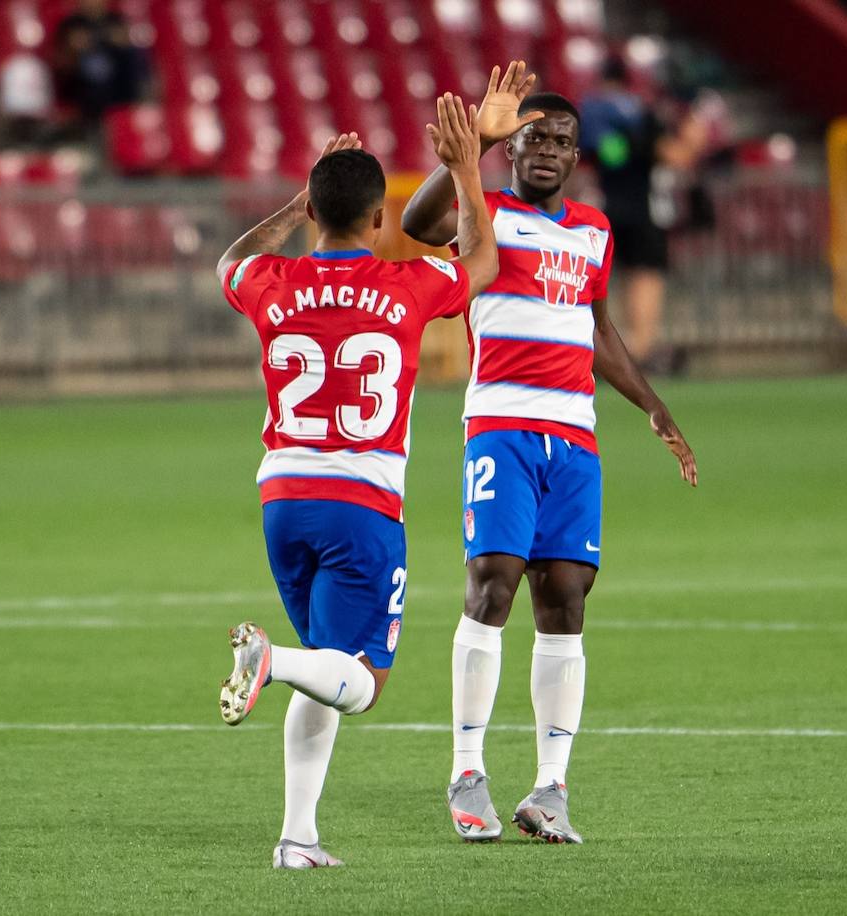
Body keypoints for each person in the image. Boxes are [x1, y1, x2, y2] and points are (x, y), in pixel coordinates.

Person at [401, 61, 698, 844]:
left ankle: (551, 790)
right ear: (511, 147)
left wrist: (653, 405)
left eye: (561, 140)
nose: (547, 149)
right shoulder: (484, 211)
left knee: (564, 599)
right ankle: (467, 774)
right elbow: (417, 227)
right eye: (533, 136)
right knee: (492, 584)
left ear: (576, 156)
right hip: (500, 423)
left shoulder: (595, 231)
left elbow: (598, 330)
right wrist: (465, 153)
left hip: (574, 437)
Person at [214, 95, 499, 869]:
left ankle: (298, 838)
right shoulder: (405, 286)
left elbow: (226, 264)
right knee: (363, 680)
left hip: (282, 501)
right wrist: (468, 173)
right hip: (361, 506)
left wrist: (288, 209)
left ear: (313, 212)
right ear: (380, 219)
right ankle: (267, 663)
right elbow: (483, 264)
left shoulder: (272, 279)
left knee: (326, 667)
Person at [579, 57, 672, 366]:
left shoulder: (591, 109)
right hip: (642, 204)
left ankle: (609, 349)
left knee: (607, 280)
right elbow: (664, 153)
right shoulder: (641, 109)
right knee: (645, 275)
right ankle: (640, 349)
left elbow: (600, 153)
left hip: (606, 205)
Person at [53, 0, 144, 122]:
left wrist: (120, 42)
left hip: (117, 93)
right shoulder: (71, 24)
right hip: (82, 96)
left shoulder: (116, 21)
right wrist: (74, 48)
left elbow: (129, 48)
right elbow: (61, 62)